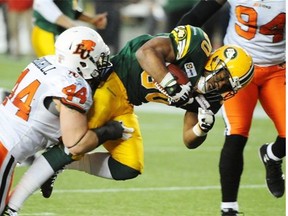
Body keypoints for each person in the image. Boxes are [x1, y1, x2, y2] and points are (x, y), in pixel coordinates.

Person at [2, 24, 255, 215]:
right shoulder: (196, 46)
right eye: (223, 76)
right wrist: (170, 83)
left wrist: (201, 128)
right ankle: (14, 205)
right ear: (218, 61)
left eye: (228, 85)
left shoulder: (210, 99)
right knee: (74, 144)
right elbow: (146, 52)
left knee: (129, 167)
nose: (220, 85)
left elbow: (188, 140)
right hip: (113, 82)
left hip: (127, 105)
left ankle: (58, 165)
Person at [0, 26, 135, 215]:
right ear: (83, 61)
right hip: (5, 148)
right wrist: (110, 131)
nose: (103, 64)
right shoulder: (74, 87)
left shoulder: (45, 61)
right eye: (98, 59)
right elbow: (76, 143)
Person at [178, 0, 286, 215]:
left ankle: (272, 155)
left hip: (277, 69)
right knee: (236, 133)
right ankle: (229, 209)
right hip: (236, 70)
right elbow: (194, 17)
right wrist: (178, 49)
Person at [32, 0, 108, 57]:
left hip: (59, 34)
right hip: (47, 31)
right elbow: (42, 4)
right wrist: (72, 26)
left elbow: (68, 9)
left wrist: (91, 19)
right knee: (59, 70)